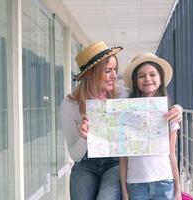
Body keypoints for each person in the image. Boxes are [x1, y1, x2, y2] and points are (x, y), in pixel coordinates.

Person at [60, 41, 183, 200]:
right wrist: (85, 137)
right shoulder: (69, 105)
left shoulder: (123, 96)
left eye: (115, 70)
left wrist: (178, 108)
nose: (113, 76)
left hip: (115, 162)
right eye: (108, 71)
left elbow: (150, 100)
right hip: (85, 163)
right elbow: (74, 155)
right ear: (91, 73)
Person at [119, 53, 181, 200]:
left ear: (160, 79)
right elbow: (123, 158)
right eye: (141, 76)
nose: (147, 79)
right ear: (135, 81)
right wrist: (124, 191)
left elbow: (172, 154)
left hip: (164, 182)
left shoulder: (170, 113)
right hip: (135, 183)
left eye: (152, 74)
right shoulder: (126, 113)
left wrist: (178, 190)